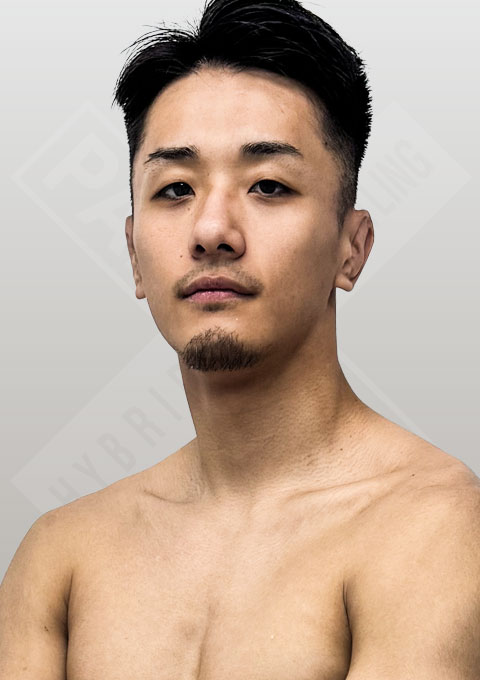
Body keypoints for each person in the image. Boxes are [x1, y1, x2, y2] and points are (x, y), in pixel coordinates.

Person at [1, 0, 479, 677]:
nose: (211, 230)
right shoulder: (61, 558)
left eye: (269, 185)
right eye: (174, 190)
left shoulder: (435, 525)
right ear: (134, 255)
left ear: (352, 248)